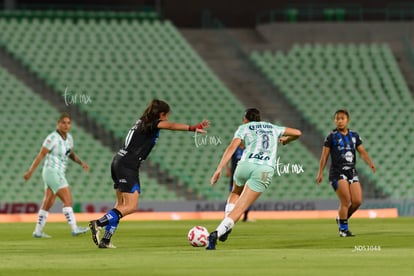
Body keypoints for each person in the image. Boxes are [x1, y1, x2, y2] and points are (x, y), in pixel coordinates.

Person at [89, 99, 210, 249]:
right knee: (131, 206)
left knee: (120, 205)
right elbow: (171, 126)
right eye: (166, 116)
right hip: (128, 165)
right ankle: (98, 223)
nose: (167, 119)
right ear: (161, 114)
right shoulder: (153, 124)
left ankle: (105, 241)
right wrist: (193, 128)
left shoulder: (141, 121)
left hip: (118, 161)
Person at [206, 108, 301, 250]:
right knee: (241, 207)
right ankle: (218, 232)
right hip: (264, 170)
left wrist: (219, 169)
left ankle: (227, 222)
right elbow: (297, 133)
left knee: (235, 193)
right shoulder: (272, 127)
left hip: (245, 165)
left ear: (245, 119)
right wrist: (287, 140)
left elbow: (232, 147)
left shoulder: (244, 127)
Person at [23, 112, 90, 238]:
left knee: (48, 202)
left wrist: (81, 163)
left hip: (57, 172)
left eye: (68, 123)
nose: (66, 125)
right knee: (68, 200)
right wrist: (30, 171)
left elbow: (70, 153)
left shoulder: (69, 138)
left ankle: (38, 231)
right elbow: (41, 155)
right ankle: (74, 228)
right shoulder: (52, 138)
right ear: (58, 124)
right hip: (52, 171)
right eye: (63, 122)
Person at [316, 109, 376, 237]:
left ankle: (341, 219)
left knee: (357, 201)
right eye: (337, 118)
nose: (339, 121)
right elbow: (324, 156)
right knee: (346, 201)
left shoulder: (354, 136)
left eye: (342, 118)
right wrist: (320, 172)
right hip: (337, 172)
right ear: (334, 120)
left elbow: (362, 151)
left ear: (347, 120)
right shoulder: (331, 136)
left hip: (351, 171)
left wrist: (370, 162)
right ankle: (343, 230)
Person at [225, 145, 251, 223]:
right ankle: (229, 215)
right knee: (234, 194)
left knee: (247, 196)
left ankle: (245, 217)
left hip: (246, 175)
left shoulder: (249, 149)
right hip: (235, 176)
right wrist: (227, 170)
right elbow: (227, 158)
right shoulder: (235, 149)